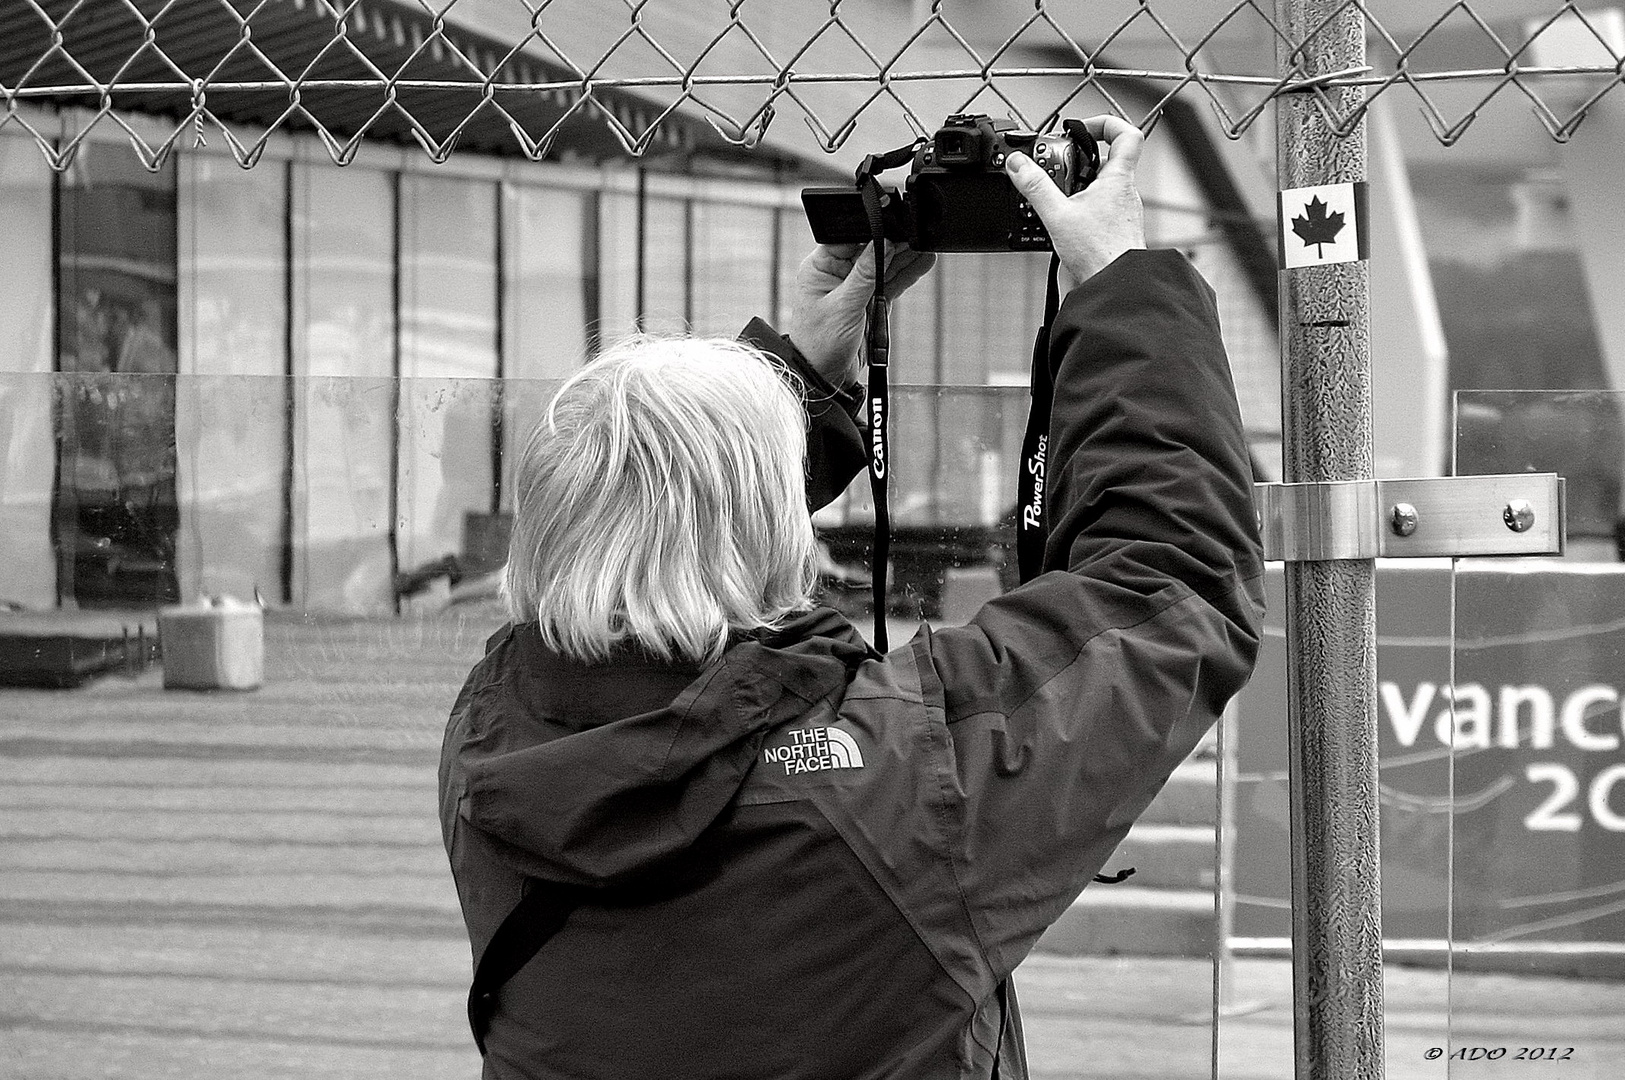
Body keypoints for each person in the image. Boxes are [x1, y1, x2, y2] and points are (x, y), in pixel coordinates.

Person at [438, 116, 1264, 1080]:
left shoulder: (488, 739)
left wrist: (795, 376)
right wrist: (1125, 289)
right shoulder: (907, 780)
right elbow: (1171, 581)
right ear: (772, 522)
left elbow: (655, 535)